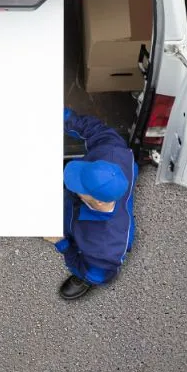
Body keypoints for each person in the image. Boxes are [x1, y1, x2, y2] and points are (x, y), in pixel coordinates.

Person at [45, 108, 137, 300]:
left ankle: (81, 279)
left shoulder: (105, 247)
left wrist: (60, 243)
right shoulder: (113, 152)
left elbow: (99, 276)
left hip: (87, 251)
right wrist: (62, 116)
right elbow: (94, 130)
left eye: (78, 186)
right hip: (79, 209)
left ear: (98, 201)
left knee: (86, 270)